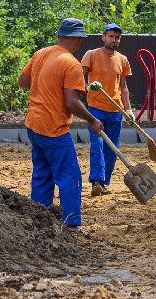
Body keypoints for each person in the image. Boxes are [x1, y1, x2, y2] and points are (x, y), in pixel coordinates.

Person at [18, 18, 103, 228]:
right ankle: (72, 224)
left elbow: (23, 82)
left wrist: (45, 86)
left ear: (59, 35)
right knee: (69, 176)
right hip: (53, 129)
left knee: (42, 173)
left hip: (33, 124)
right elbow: (72, 102)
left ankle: (39, 220)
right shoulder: (71, 64)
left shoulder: (41, 54)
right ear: (78, 39)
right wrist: (92, 120)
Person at [81, 23, 133, 196]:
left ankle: (103, 183)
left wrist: (129, 110)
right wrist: (88, 87)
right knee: (97, 144)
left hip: (115, 109)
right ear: (103, 37)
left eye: (117, 37)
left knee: (112, 149)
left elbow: (124, 87)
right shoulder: (91, 55)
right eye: (111, 36)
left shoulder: (123, 59)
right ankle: (96, 180)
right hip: (95, 108)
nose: (114, 40)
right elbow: (79, 77)